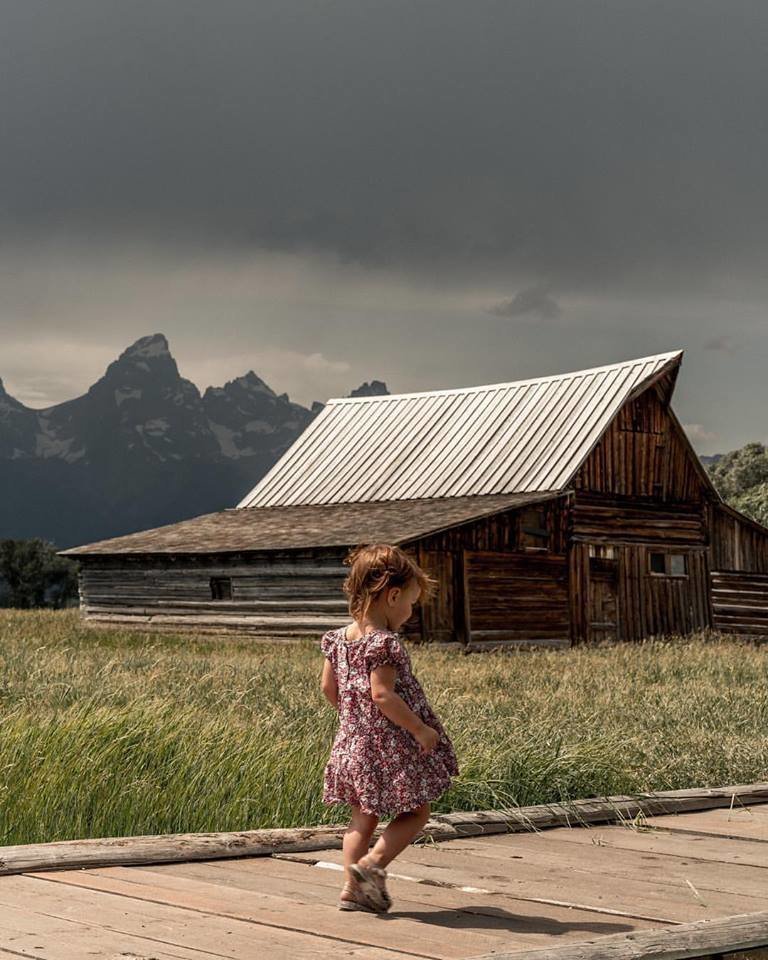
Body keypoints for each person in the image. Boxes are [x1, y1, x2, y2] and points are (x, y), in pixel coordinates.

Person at [319, 542, 460, 913]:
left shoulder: (337, 640)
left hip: (352, 743)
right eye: (411, 603)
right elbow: (382, 695)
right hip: (388, 746)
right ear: (393, 595)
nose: (411, 612)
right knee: (416, 811)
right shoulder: (384, 644)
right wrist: (419, 729)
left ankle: (351, 891)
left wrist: (355, 719)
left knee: (361, 818)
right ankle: (371, 866)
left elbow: (328, 689)